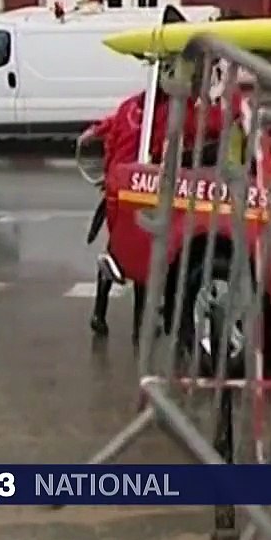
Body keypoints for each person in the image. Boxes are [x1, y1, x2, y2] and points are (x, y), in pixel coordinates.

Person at [78, 67, 227, 340]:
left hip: (116, 186)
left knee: (116, 250)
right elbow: (207, 125)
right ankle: (140, 328)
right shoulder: (171, 112)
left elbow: (108, 127)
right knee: (141, 257)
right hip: (137, 189)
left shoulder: (132, 105)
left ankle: (100, 313)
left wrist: (92, 134)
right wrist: (236, 111)